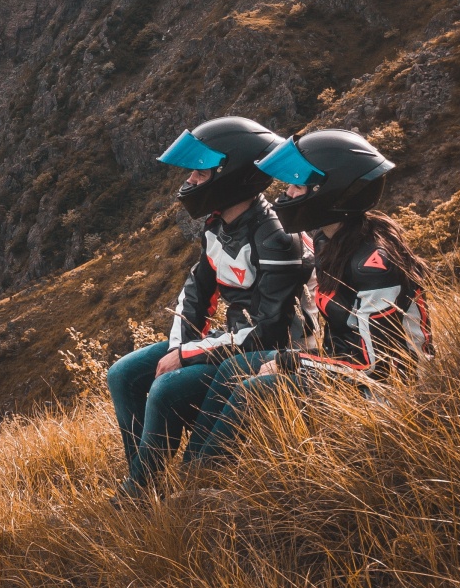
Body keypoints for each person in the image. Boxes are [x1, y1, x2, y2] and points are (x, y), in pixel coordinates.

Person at [183, 128, 433, 463]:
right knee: (234, 368)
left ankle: (206, 473)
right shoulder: (332, 242)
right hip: (344, 371)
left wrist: (294, 361)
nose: (286, 193)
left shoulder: (375, 265)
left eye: (297, 185)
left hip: (387, 393)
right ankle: (194, 466)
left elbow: (378, 366)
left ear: (332, 192)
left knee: (253, 388)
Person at [106, 116, 316, 495]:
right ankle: (145, 477)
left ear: (233, 174)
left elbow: (272, 330)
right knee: (122, 373)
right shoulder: (218, 225)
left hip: (269, 349)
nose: (190, 182)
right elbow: (196, 293)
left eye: (200, 175)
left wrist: (187, 357)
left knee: (167, 387)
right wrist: (177, 347)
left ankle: (139, 491)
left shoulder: (277, 239)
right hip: (230, 340)